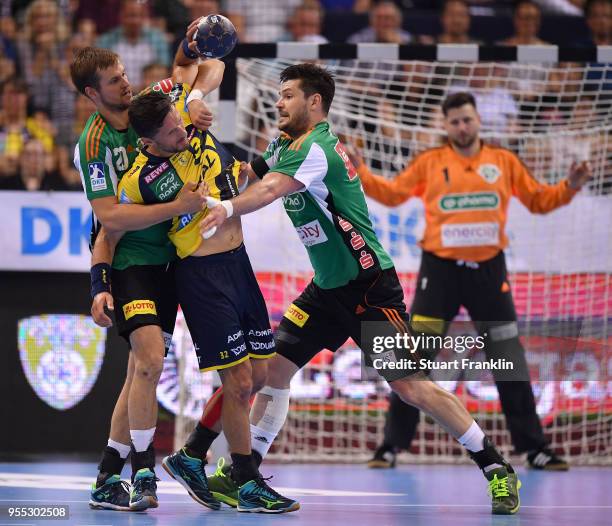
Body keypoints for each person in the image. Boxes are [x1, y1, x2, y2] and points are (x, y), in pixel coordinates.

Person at [199, 63, 522, 516]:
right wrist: (200, 162)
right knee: (270, 373)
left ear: (314, 102)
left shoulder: (315, 149)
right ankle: (243, 472)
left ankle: (495, 467)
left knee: (412, 387)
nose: (278, 102)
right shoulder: (283, 144)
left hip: (370, 291)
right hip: (327, 290)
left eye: (288, 94)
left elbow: (268, 189)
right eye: (278, 95)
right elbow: (250, 172)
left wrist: (226, 207)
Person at [346, 91, 591, 471]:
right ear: (446, 125)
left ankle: (535, 449)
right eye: (455, 121)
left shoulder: (503, 161)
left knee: (508, 358)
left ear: (478, 121)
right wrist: (362, 172)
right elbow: (393, 195)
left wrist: (571, 185)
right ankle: (391, 446)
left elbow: (539, 200)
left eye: (468, 119)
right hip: (440, 273)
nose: (462, 126)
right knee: (415, 356)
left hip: (490, 273)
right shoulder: (431, 161)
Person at [113, 84, 299, 514]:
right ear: (147, 141)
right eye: (171, 131)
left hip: (239, 264)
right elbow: (112, 228)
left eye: (178, 122)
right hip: (200, 278)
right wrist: (102, 285)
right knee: (236, 384)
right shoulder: (139, 180)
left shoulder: (192, 125)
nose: (181, 132)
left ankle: (191, 456)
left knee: (258, 373)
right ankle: (245, 480)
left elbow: (206, 66)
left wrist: (194, 96)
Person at [70, 37, 209, 511]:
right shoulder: (93, 144)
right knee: (148, 361)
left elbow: (191, 71)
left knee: (139, 374)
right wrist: (99, 283)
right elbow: (111, 220)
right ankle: (145, 470)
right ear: (93, 94)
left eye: (125, 74)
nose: (126, 84)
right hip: (129, 260)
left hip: (170, 257)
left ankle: (107, 477)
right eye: (114, 81)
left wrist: (196, 76)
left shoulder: (149, 106)